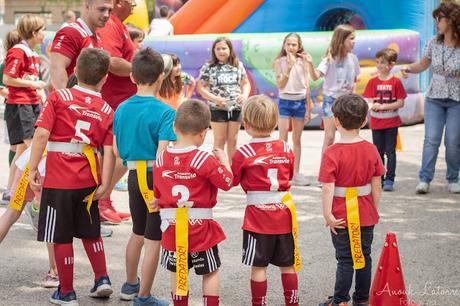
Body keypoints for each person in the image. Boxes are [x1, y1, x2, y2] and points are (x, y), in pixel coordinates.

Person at [29, 48, 115, 305]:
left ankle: (66, 291)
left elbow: (42, 135)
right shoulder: (106, 108)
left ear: (75, 71)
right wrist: (106, 183)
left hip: (59, 178)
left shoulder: (59, 97)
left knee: (60, 235)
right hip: (88, 177)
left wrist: (33, 168)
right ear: (104, 79)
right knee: (91, 232)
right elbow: (110, 151)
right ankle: (102, 278)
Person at [153, 99, 233, 306]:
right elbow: (227, 182)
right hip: (200, 229)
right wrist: (224, 162)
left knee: (178, 270)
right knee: (210, 271)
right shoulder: (203, 159)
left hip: (172, 228)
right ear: (204, 132)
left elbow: (159, 192)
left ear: (174, 127)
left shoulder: (161, 159)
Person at [113, 48, 172, 306]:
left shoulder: (121, 109)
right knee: (153, 238)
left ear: (132, 78)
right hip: (154, 178)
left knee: (137, 231)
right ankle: (144, 296)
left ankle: (130, 284)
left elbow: (116, 151)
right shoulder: (166, 112)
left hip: (134, 176)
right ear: (161, 76)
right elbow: (163, 155)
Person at [232, 95, 300, 306]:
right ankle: (293, 302)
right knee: (288, 264)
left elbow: (232, 180)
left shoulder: (243, 152)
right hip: (284, 212)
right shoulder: (286, 148)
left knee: (258, 266)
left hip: (258, 216)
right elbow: (289, 173)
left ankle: (258, 303)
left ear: (247, 124)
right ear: (275, 122)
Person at [317, 94, 384, 306]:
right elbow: (376, 183)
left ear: (336, 121)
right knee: (364, 256)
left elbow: (328, 187)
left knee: (345, 259)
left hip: (340, 214)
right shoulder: (371, 149)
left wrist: (327, 214)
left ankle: (340, 300)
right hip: (365, 211)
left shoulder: (331, 153)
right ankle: (362, 299)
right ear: (364, 120)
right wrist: (374, 208)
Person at [401, 0, 460, 194]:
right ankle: (424, 179)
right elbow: (422, 65)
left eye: (439, 19)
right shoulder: (433, 42)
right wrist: (409, 68)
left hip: (456, 100)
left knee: (452, 140)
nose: (437, 23)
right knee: (431, 139)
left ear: (451, 20)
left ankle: (453, 178)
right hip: (434, 97)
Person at [96, 0, 137, 225]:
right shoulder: (111, 24)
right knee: (121, 153)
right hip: (115, 101)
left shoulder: (118, 24)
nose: (134, 6)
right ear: (119, 3)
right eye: (131, 2)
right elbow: (112, 62)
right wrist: (141, 68)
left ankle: (105, 199)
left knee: (120, 154)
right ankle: (101, 201)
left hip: (122, 100)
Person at [0, 147, 59, 289]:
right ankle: (55, 271)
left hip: (29, 162)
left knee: (11, 213)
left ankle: (55, 271)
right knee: (52, 218)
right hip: (50, 166)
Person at [2, 15, 46, 205]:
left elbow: (29, 79)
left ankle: (11, 191)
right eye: (42, 30)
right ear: (34, 32)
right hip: (20, 105)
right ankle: (33, 194)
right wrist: (36, 85)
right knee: (34, 148)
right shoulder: (19, 51)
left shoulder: (32, 52)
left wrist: (39, 92)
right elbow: (8, 79)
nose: (44, 34)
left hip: (30, 103)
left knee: (21, 151)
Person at [308, 25, 360, 156]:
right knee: (329, 137)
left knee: (350, 137)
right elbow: (315, 76)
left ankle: (348, 167)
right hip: (331, 101)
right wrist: (309, 64)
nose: (354, 42)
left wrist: (354, 100)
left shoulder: (353, 59)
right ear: (341, 40)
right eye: (351, 38)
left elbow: (354, 81)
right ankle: (324, 170)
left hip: (347, 102)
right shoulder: (329, 59)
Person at [197, 37, 251, 160]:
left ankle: (232, 170)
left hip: (235, 108)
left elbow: (246, 83)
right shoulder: (209, 66)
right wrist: (215, 99)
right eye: (218, 49)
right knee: (220, 140)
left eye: (224, 48)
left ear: (230, 49)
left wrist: (244, 95)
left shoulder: (238, 65)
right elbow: (200, 87)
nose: (221, 51)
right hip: (217, 108)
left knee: (233, 140)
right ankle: (219, 170)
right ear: (214, 51)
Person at [363, 48, 406, 192]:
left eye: (383, 62)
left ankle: (390, 179)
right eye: (377, 62)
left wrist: (382, 107)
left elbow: (400, 102)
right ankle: (379, 178)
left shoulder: (396, 82)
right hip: (376, 123)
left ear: (391, 65)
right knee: (378, 152)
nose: (379, 65)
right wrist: (366, 112)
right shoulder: (372, 82)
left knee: (390, 152)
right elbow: (369, 102)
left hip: (392, 123)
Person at [273, 33, 312, 186]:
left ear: (299, 46)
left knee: (297, 139)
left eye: (294, 44)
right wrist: (288, 68)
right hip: (285, 101)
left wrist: (308, 107)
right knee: (282, 139)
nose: (291, 47)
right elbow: (280, 85)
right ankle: (282, 172)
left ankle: (295, 173)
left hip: (300, 102)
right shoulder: (279, 62)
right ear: (284, 45)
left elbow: (307, 85)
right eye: (288, 44)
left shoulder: (304, 62)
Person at [50, 0, 112, 90]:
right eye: (101, 9)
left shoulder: (97, 36)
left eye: (110, 10)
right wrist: (68, 102)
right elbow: (56, 69)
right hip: (73, 102)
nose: (106, 14)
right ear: (87, 7)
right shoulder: (71, 32)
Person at [1, 29, 22, 204]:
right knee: (16, 147)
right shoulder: (7, 62)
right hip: (14, 107)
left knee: (19, 147)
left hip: (23, 106)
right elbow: (2, 86)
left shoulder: (26, 59)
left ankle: (13, 185)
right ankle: (11, 186)